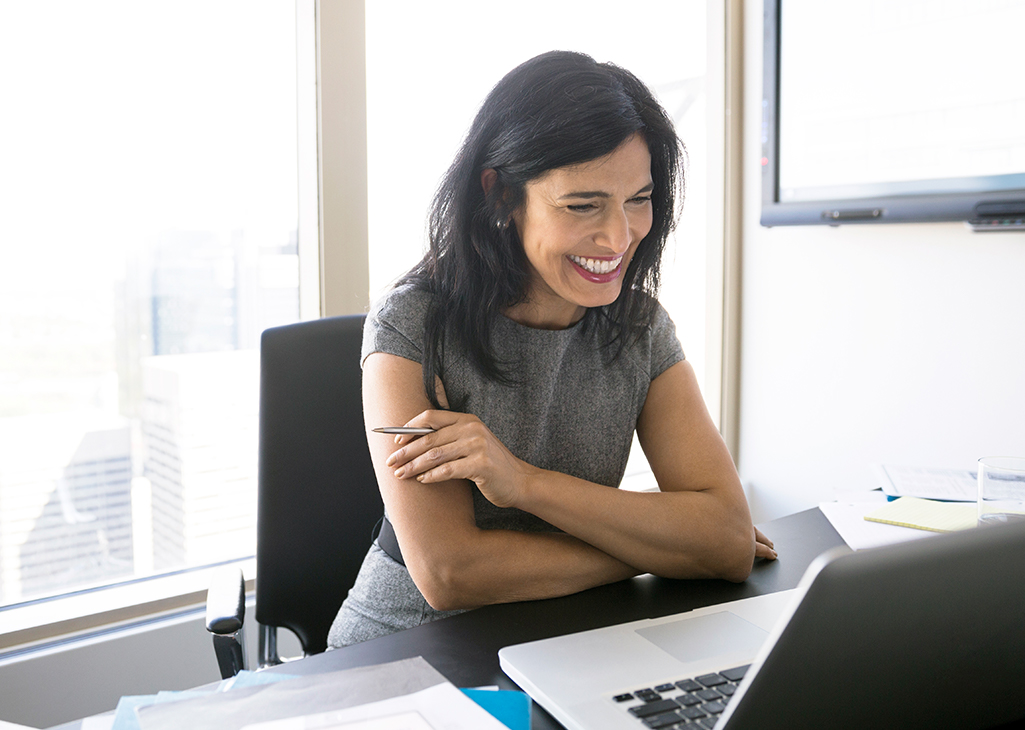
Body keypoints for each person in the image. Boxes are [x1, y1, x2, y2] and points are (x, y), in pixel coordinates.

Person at [327, 50, 776, 649]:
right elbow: (450, 574)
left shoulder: (640, 328)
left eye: (638, 199)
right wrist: (662, 550)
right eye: (582, 205)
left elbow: (723, 536)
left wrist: (524, 482)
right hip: (406, 649)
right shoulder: (411, 325)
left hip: (570, 641)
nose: (619, 238)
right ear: (500, 196)